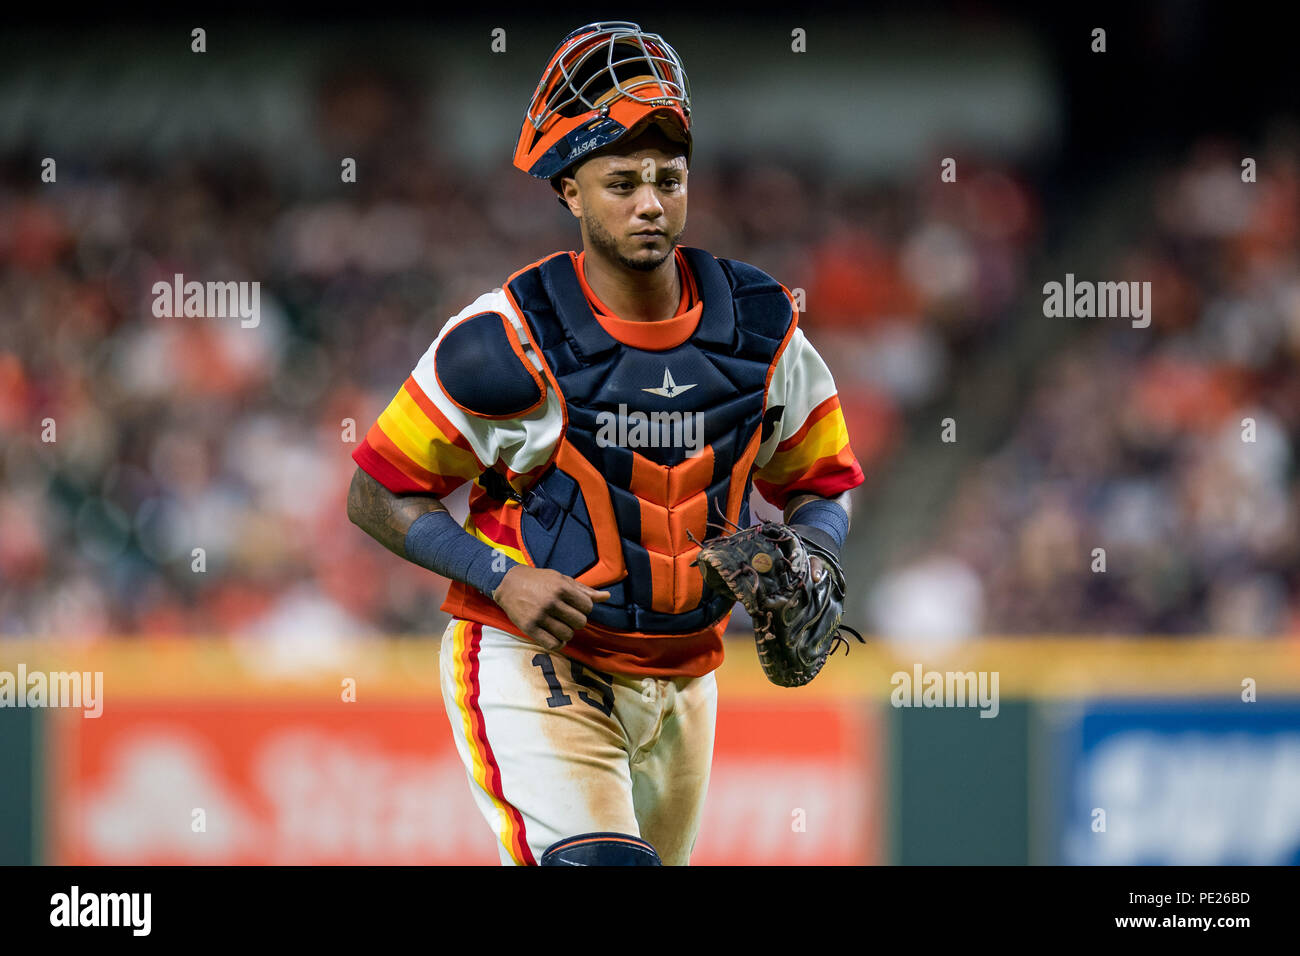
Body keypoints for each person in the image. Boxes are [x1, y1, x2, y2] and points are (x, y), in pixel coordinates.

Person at [347, 20, 864, 866]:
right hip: (538, 655)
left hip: (687, 675)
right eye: (621, 182)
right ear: (569, 192)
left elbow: (821, 480)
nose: (651, 202)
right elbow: (375, 491)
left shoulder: (763, 326)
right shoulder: (504, 337)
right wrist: (498, 578)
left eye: (669, 178)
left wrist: (811, 549)